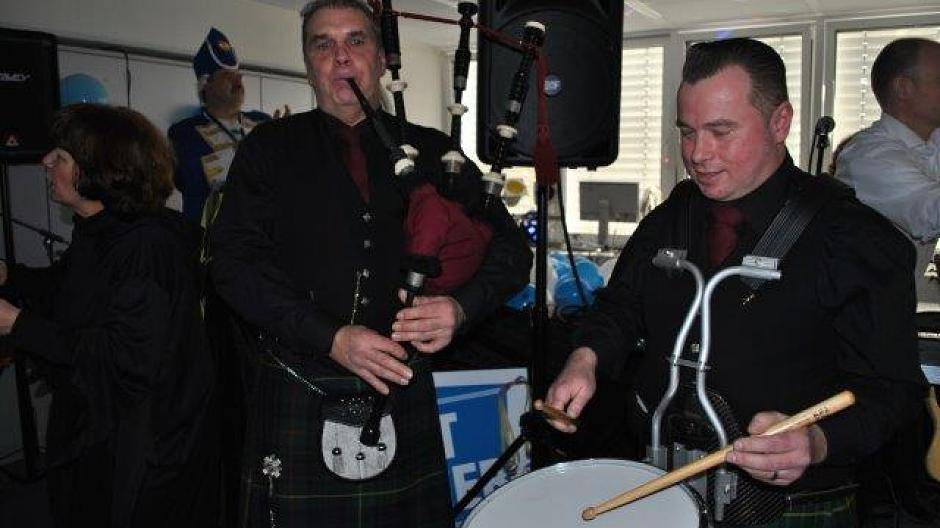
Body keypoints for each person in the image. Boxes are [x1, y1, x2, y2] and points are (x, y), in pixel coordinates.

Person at [546, 38, 926, 527]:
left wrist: (817, 441)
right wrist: (586, 358)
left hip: (794, 508)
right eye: (688, 132)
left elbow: (894, 392)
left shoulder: (855, 239)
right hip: (663, 483)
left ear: (779, 122)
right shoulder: (671, 217)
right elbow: (620, 307)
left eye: (721, 131)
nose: (698, 154)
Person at [208, 1, 531, 526]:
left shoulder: (437, 153)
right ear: (308, 64)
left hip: (403, 386)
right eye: (323, 44)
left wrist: (460, 308)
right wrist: (329, 336)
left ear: (380, 59)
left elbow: (512, 252)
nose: (340, 57)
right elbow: (232, 264)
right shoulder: (268, 150)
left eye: (355, 41)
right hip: (299, 380)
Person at [0, 104, 217, 527]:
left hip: (145, 444)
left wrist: (17, 324)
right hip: (110, 426)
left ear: (99, 170)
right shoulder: (105, 226)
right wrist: (11, 275)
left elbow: (126, 358)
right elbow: (68, 288)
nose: (46, 161)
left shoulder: (146, 247)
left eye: (61, 156)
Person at [836, 38, 940, 308]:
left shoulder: (932, 141)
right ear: (904, 88)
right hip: (862, 319)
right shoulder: (868, 156)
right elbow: (929, 213)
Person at [168, 27, 277, 225]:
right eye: (227, 75)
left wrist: (285, 140)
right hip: (211, 239)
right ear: (206, 84)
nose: (239, 79)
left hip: (263, 235)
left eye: (238, 74)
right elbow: (192, 183)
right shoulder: (185, 133)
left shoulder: (263, 122)